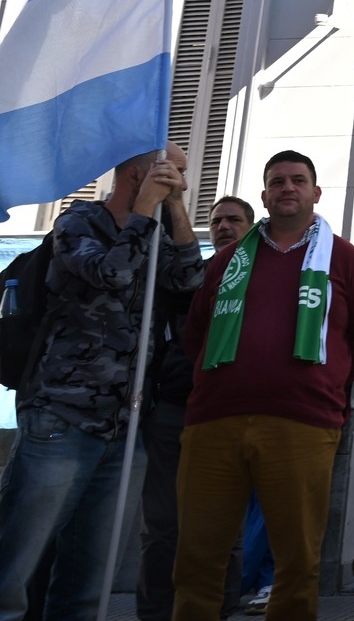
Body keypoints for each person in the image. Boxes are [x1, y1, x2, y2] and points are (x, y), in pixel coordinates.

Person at [172, 150, 354, 621]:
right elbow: (196, 334)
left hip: (303, 426)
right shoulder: (228, 260)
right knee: (196, 558)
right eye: (276, 181)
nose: (287, 187)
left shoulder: (346, 260)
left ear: (315, 192)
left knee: (297, 561)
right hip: (214, 424)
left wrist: (321, 379)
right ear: (265, 195)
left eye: (297, 180)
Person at [0, 145, 205, 621]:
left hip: (127, 426)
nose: (179, 180)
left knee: (87, 581)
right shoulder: (78, 221)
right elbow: (110, 273)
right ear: (138, 173)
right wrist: (144, 211)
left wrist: (174, 208)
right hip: (62, 416)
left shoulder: (153, 232)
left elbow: (192, 284)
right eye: (173, 173)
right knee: (15, 565)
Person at [137, 195, 255, 621]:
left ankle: (221, 611)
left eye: (233, 220)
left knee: (227, 530)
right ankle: (154, 613)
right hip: (174, 411)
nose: (224, 226)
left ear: (251, 225)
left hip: (232, 415)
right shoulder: (189, 273)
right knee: (163, 527)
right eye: (217, 220)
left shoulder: (267, 277)